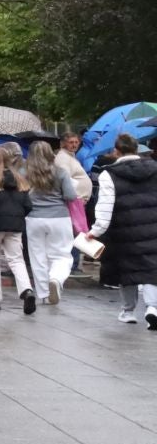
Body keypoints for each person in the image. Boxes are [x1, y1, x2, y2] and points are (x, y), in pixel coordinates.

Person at [86, 135, 157, 328]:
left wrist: (95, 231)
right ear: (137, 149)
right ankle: (153, 307)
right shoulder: (155, 168)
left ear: (116, 151)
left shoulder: (109, 174)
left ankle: (128, 311)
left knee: (127, 271)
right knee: (151, 268)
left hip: (123, 230)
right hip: (153, 227)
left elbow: (104, 207)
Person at [23, 141, 79, 305]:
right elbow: (70, 196)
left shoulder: (24, 172)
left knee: (38, 257)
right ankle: (56, 279)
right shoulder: (60, 172)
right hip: (59, 218)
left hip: (33, 218)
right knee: (61, 255)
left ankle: (44, 294)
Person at [0, 144, 34, 312]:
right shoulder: (20, 180)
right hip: (15, 227)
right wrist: (18, 217)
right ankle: (26, 290)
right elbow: (28, 205)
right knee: (17, 260)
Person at [58, 131, 93, 236]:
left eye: (76, 142)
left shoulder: (70, 156)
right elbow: (65, 180)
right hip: (74, 202)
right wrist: (75, 197)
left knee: (79, 232)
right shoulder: (63, 158)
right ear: (64, 143)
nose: (74, 145)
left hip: (78, 201)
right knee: (78, 233)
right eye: (71, 142)